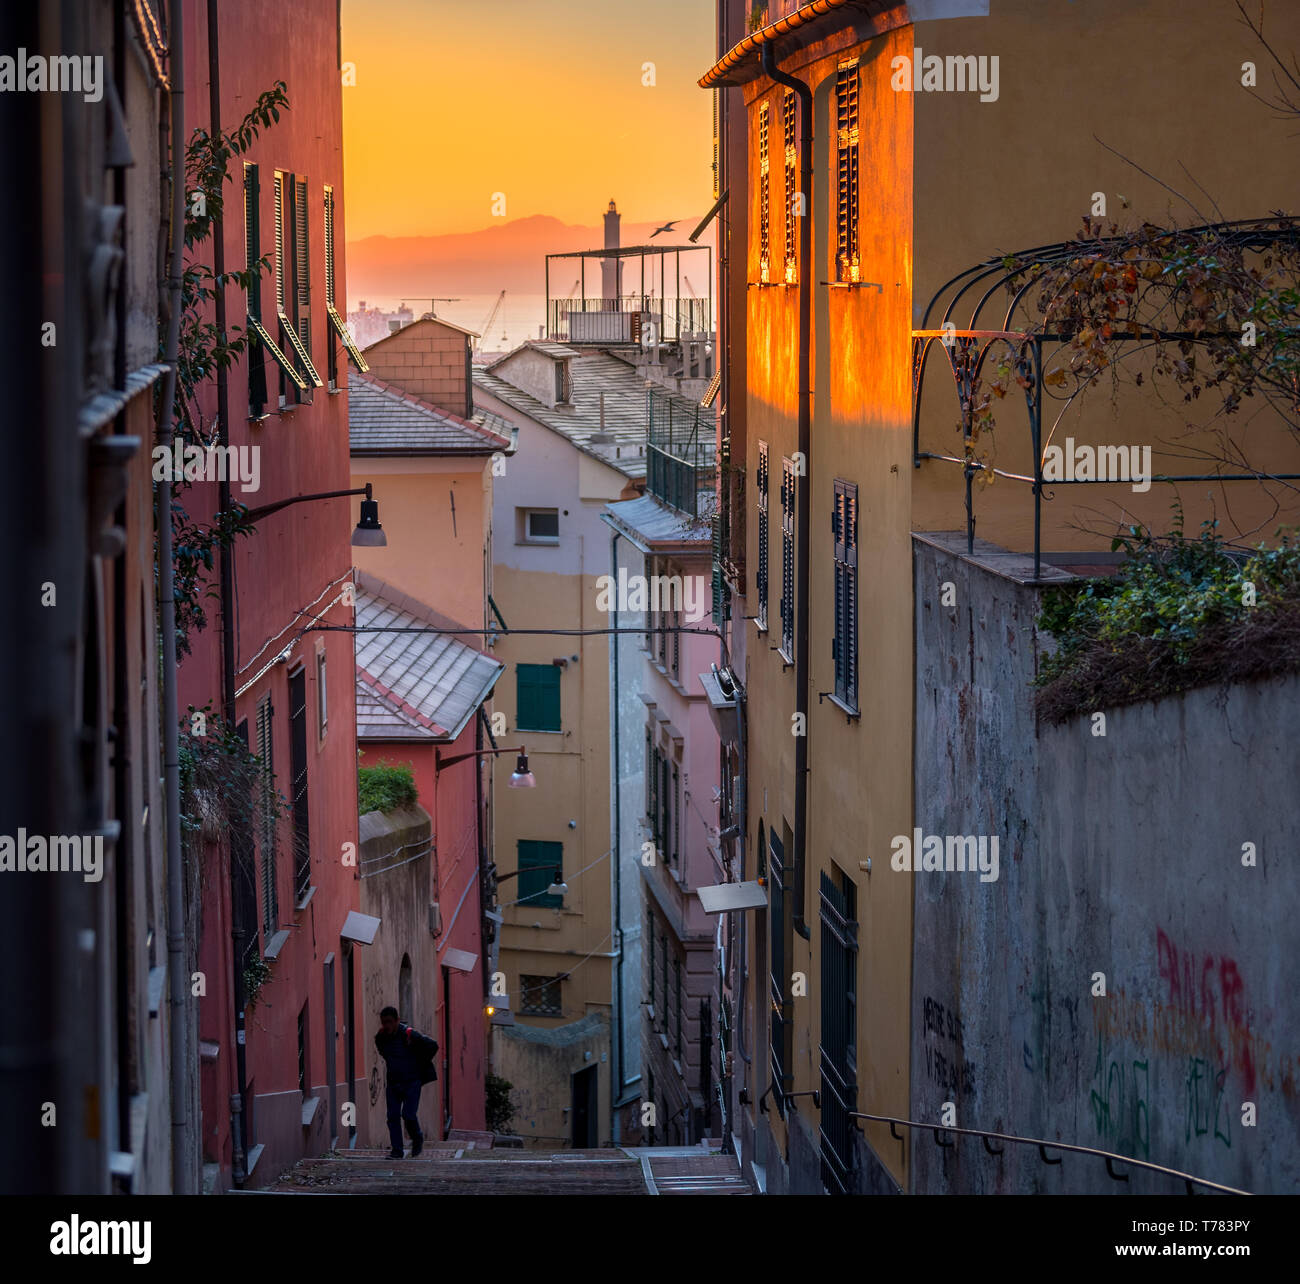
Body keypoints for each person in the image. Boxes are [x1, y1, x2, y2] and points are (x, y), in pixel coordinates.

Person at [374, 1005, 438, 1158]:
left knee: (408, 1115)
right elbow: (383, 1052)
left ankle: (417, 1138)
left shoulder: (410, 1034)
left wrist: (418, 1063)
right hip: (393, 1083)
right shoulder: (381, 1037)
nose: (387, 1026)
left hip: (411, 1083)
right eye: (384, 1022)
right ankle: (397, 1151)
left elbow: (433, 1046)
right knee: (392, 1117)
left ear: (397, 1020)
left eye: (389, 1022)